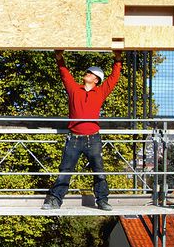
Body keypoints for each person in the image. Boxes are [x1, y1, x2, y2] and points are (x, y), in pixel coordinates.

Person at [43, 49, 123, 211]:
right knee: (65, 170)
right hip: (74, 139)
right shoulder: (74, 89)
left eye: (90, 73)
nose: (86, 74)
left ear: (96, 79)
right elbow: (64, 74)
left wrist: (118, 59)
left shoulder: (100, 92)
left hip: (93, 139)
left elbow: (114, 78)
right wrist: (59, 58)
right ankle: (55, 200)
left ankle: (102, 200)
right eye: (87, 72)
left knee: (98, 170)